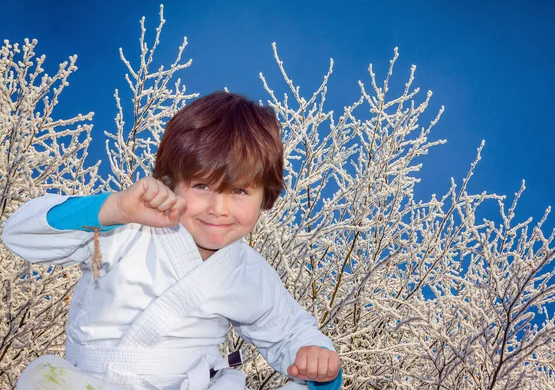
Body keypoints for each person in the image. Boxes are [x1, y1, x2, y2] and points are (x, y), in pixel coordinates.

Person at [2, 92, 343, 390]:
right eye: (202, 186)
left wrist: (313, 357)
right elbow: (19, 233)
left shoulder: (249, 273)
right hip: (91, 381)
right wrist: (116, 209)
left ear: (265, 198)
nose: (218, 209)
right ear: (170, 182)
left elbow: (288, 331)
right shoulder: (128, 228)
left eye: (239, 191)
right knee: (41, 375)